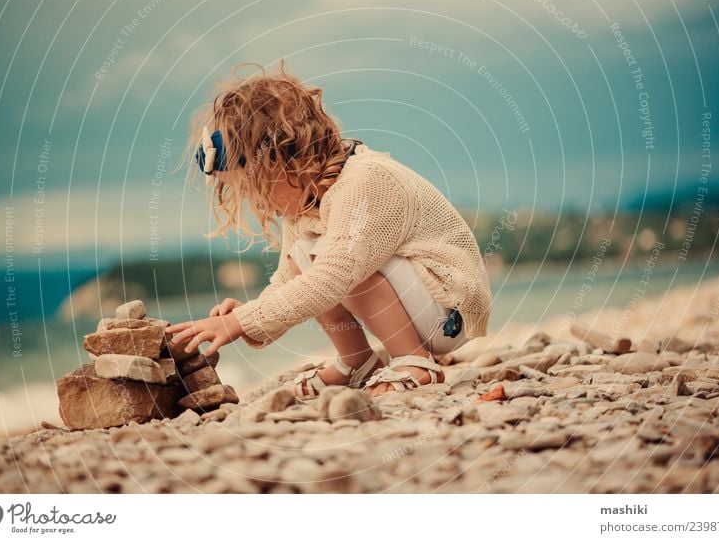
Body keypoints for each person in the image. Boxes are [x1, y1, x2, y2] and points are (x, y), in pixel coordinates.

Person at [166, 60, 492, 398]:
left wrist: (239, 323)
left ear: (282, 159)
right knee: (308, 260)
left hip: (449, 305)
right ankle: (358, 362)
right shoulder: (308, 203)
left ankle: (414, 362)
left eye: (256, 189)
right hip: (418, 302)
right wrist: (246, 315)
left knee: (336, 265)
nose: (258, 205)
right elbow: (290, 280)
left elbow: (332, 278)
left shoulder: (366, 181)